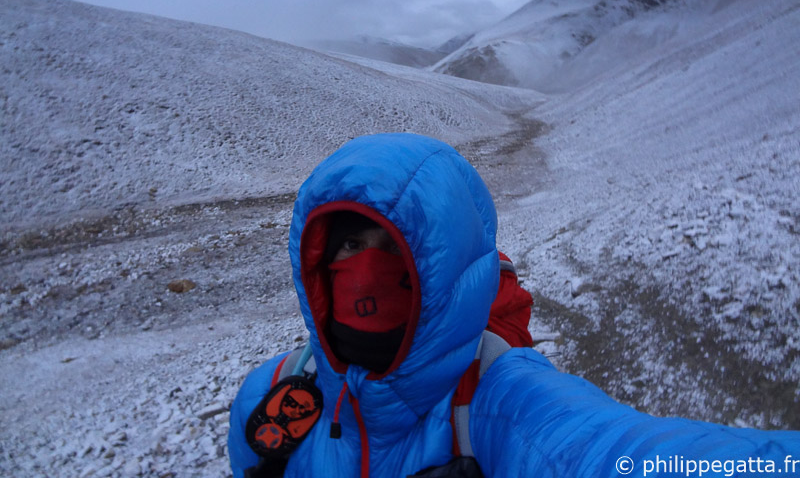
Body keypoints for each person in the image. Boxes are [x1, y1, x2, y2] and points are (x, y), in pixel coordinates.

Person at [229, 133, 799, 478]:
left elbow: (609, 451)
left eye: (395, 250)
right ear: (316, 264)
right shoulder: (268, 396)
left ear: (442, 266)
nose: (369, 271)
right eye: (351, 245)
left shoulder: (499, 400)